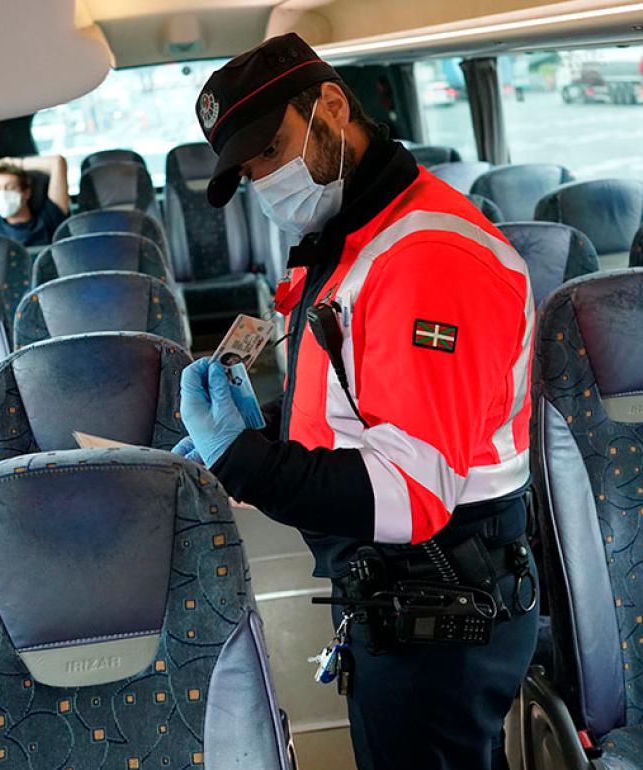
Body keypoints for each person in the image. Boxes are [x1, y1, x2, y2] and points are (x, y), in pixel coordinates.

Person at [175, 34, 538, 770]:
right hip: (405, 593)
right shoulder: (354, 236)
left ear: (331, 107)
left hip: (441, 585)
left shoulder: (427, 258)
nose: (267, 179)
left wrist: (248, 462)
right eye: (252, 170)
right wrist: (269, 434)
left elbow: (413, 494)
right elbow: (365, 408)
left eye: (273, 148)